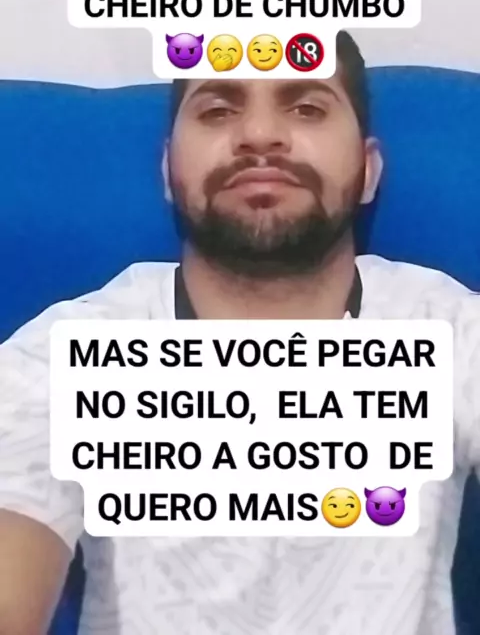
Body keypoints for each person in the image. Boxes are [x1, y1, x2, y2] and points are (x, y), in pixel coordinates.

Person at [0, 31, 478, 635]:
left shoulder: (449, 331)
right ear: (168, 170)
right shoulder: (64, 355)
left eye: (306, 107)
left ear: (368, 171)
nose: (258, 134)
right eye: (219, 109)